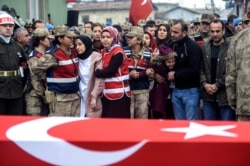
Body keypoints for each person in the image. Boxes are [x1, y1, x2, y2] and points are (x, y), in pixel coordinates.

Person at [200, 19, 235, 120]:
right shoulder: (204, 47)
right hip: (208, 96)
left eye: (218, 31)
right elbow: (201, 68)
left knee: (226, 129)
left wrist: (217, 84)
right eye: (212, 31)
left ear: (223, 31)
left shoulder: (231, 47)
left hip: (225, 96)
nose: (215, 34)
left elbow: (232, 70)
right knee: (209, 131)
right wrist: (205, 84)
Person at [168, 20, 202, 120]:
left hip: (190, 91)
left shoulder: (193, 47)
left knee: (192, 124)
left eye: (176, 32)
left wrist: (175, 75)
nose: (172, 34)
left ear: (184, 33)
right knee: (180, 125)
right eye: (172, 31)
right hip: (176, 90)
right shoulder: (172, 46)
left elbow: (194, 70)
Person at [95, 26, 131, 118]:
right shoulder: (103, 51)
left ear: (114, 38)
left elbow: (110, 71)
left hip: (119, 95)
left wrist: (96, 72)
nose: (105, 40)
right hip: (106, 94)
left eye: (108, 37)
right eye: (103, 37)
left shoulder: (118, 52)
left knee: (118, 124)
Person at [45, 25, 80, 116]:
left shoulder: (74, 51)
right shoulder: (52, 55)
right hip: (60, 98)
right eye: (68, 37)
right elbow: (36, 71)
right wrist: (46, 87)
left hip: (75, 96)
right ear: (60, 39)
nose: (72, 39)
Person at [123, 26, 154, 119]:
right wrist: (129, 75)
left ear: (139, 40)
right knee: (127, 120)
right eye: (127, 37)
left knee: (142, 120)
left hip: (142, 92)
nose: (128, 39)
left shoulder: (148, 54)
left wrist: (142, 74)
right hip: (127, 91)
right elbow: (118, 72)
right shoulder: (123, 52)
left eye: (131, 37)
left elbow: (152, 73)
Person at [0, 13, 26, 115]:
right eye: (4, 25)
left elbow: (23, 67)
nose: (8, 28)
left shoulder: (18, 47)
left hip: (16, 90)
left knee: (15, 120)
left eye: (10, 25)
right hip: (1, 91)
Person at [26, 28, 55, 116]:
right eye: (47, 38)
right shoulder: (34, 57)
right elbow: (35, 80)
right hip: (34, 97)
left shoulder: (46, 55)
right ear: (41, 40)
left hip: (45, 96)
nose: (49, 40)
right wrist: (44, 96)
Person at [74, 35, 103, 118]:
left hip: (92, 92)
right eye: (76, 45)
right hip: (80, 93)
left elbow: (99, 79)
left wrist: (94, 96)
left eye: (80, 44)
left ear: (86, 44)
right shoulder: (77, 58)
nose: (77, 47)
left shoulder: (96, 56)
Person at [225, 26, 250, 121]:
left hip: (244, 103)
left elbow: (231, 72)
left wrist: (232, 98)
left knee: (245, 135)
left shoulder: (238, 37)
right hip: (245, 103)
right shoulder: (238, 38)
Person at [149, 45, 175, 119]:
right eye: (168, 62)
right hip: (160, 93)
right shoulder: (158, 69)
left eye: (173, 61)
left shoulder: (175, 68)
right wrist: (155, 74)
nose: (171, 64)